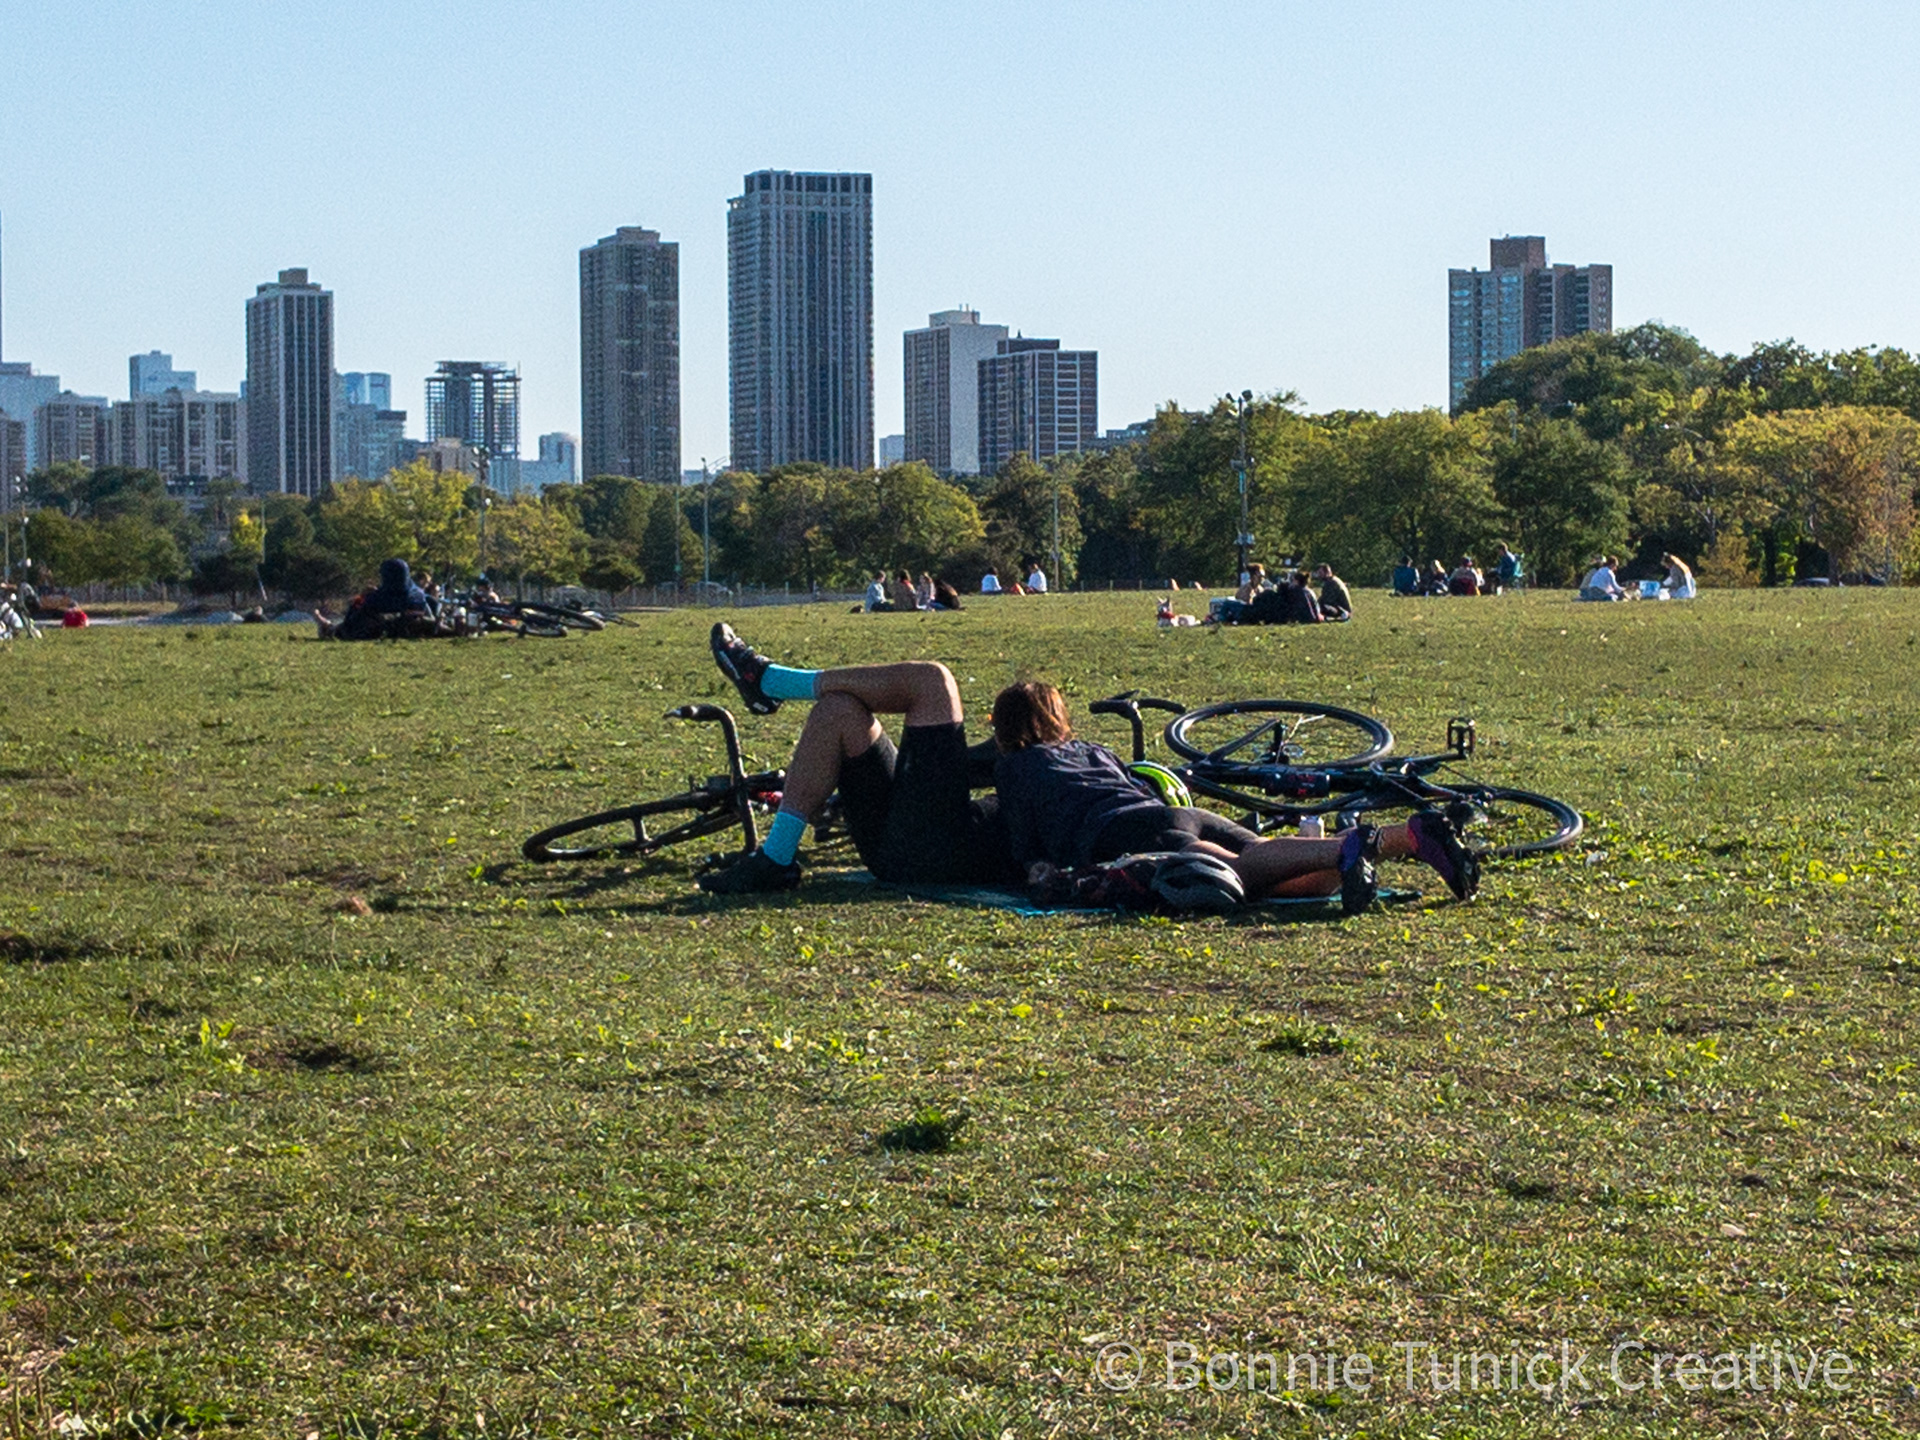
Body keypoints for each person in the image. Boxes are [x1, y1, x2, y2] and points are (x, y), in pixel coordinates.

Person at [991, 681, 1478, 910]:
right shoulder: (1091, 750)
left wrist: (1033, 865)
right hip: (1175, 812)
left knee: (1240, 871)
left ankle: (1350, 846)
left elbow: (1023, 841)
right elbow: (1140, 783)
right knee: (1292, 879)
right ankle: (1410, 836)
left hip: (1128, 830)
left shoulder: (1015, 765)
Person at [700, 625, 1019, 895]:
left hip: (943, 851)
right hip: (900, 845)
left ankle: (769, 682)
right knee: (836, 710)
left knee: (933, 681)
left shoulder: (1060, 771)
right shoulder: (1049, 760)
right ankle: (776, 858)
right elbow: (982, 767)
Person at [314, 558, 435, 640]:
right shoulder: (418, 595)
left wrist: (364, 596)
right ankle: (326, 624)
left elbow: (354, 618)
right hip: (408, 630)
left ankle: (327, 627)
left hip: (375, 632)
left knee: (351, 622)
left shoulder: (377, 599)